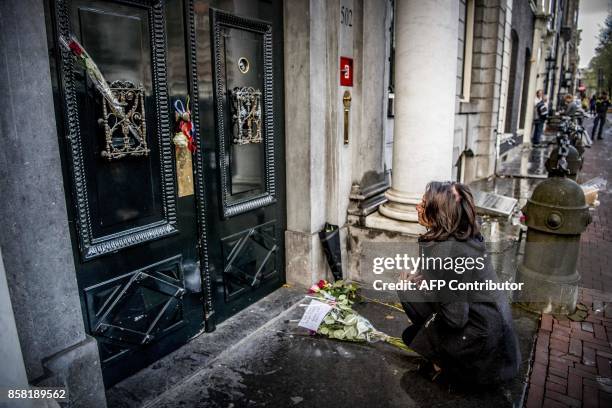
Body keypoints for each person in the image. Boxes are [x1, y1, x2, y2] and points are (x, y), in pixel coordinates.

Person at [399, 181, 520, 386]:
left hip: (483, 345)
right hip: (497, 341)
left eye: (423, 203)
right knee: (415, 331)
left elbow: (456, 319)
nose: (417, 207)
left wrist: (419, 288)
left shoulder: (448, 254)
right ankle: (449, 359)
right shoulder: (464, 236)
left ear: (439, 212)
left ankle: (452, 367)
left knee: (408, 310)